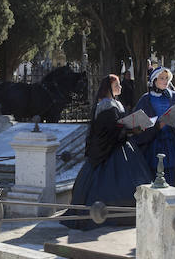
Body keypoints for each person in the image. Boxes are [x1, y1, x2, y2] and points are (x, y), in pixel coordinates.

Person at [63, 75, 152, 229]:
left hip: (121, 146)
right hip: (109, 151)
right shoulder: (105, 106)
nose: (120, 87)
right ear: (109, 87)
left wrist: (132, 128)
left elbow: (118, 127)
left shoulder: (115, 104)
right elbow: (108, 131)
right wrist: (129, 129)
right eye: (117, 84)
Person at [133, 67, 175, 185]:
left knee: (173, 173)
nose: (165, 81)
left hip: (172, 141)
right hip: (153, 143)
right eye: (162, 78)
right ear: (154, 80)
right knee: (154, 174)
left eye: (167, 78)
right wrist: (157, 126)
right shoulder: (146, 99)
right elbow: (137, 125)